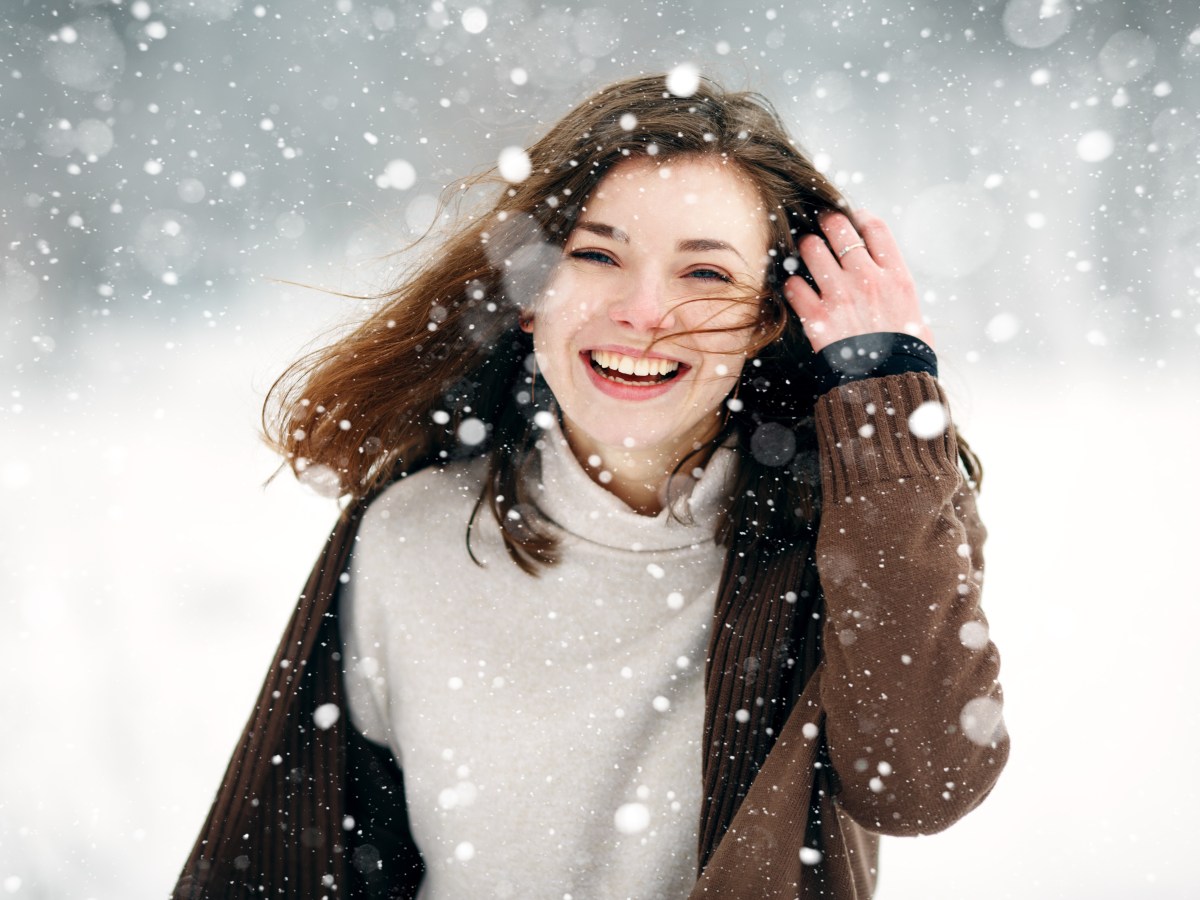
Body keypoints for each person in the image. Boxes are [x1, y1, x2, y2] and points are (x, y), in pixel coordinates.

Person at [175, 73, 1008, 899]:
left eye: (707, 275)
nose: (644, 312)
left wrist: (883, 395)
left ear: (764, 320)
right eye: (598, 254)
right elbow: (281, 860)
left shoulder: (840, 540)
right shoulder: (407, 535)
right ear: (532, 291)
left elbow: (921, 784)